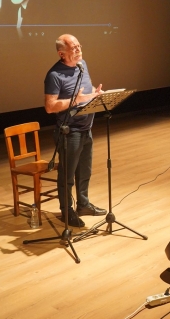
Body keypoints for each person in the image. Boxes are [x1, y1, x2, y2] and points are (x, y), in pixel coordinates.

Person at [44, 34, 107, 227]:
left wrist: (94, 94)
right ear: (61, 53)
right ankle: (66, 212)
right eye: (73, 48)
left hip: (86, 128)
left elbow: (84, 93)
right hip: (69, 132)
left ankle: (84, 205)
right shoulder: (54, 75)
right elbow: (50, 106)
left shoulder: (82, 65)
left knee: (84, 171)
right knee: (67, 175)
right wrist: (76, 100)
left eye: (79, 46)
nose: (78, 50)